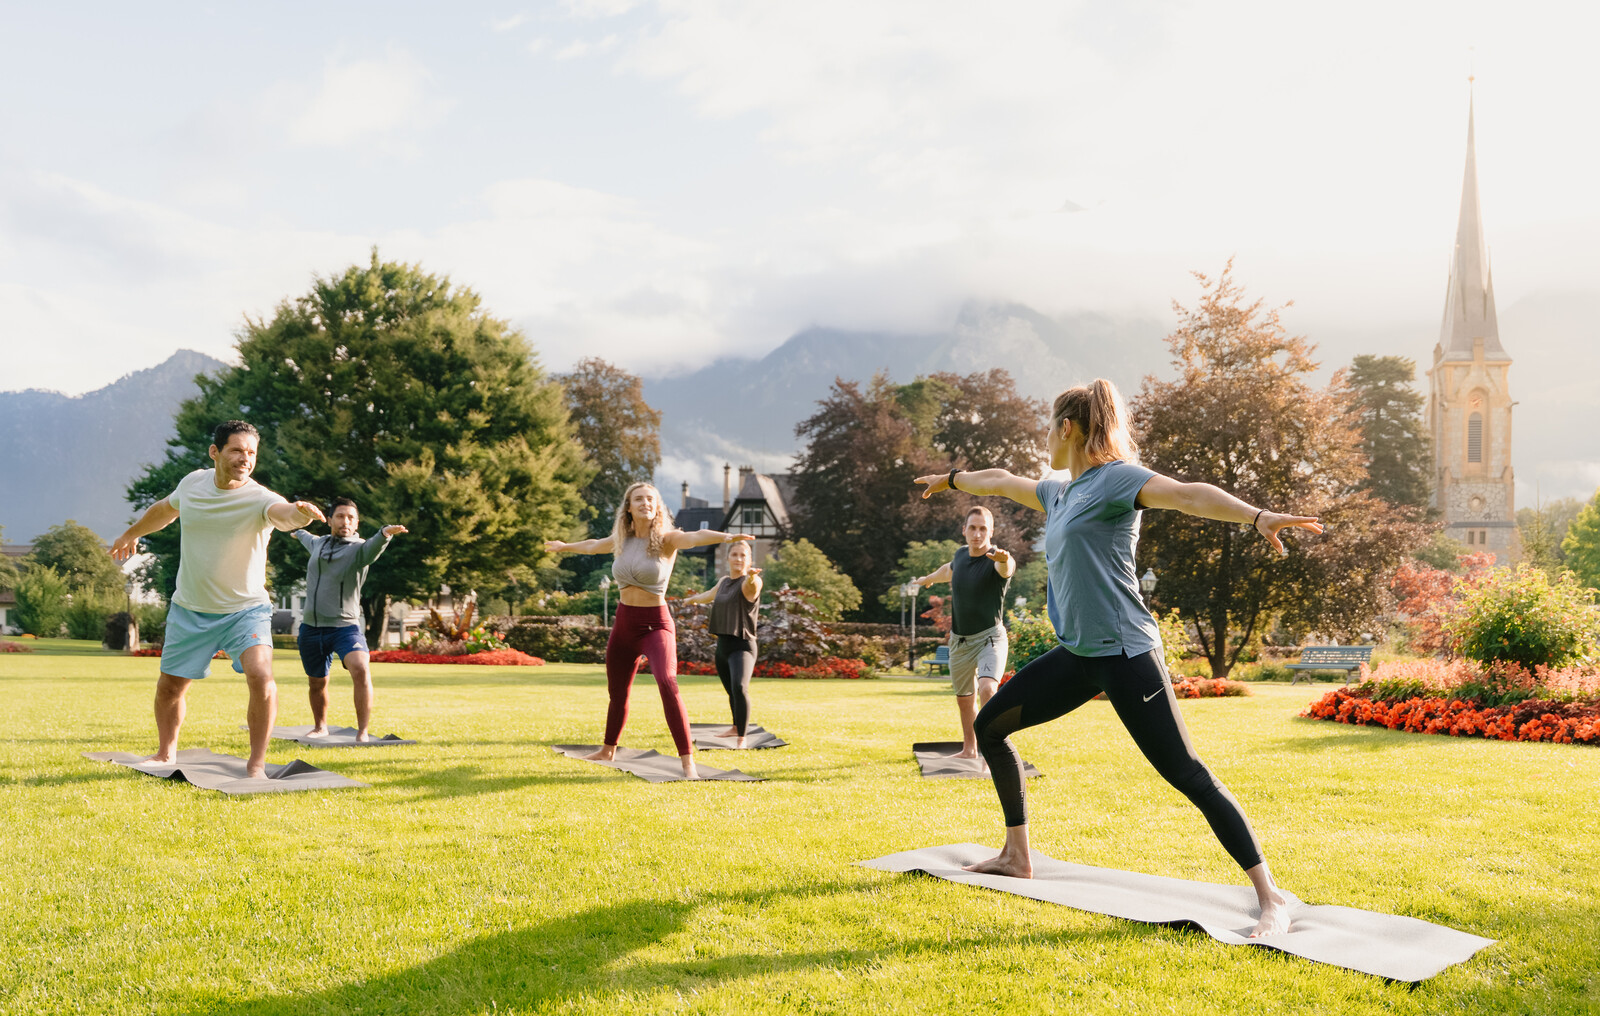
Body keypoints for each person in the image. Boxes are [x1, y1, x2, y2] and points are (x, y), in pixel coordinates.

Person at [914, 379, 1322, 938]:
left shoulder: (1117, 480)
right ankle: (1017, 853)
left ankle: (1270, 895)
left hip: (1127, 655)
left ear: (1068, 428)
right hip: (1078, 654)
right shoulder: (1060, 492)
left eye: (1048, 427)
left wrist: (1256, 517)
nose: (1044, 438)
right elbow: (1004, 483)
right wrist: (954, 479)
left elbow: (1187, 493)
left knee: (1186, 772)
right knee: (992, 728)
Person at [110, 421, 326, 778]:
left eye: (252, 453)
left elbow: (283, 515)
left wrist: (300, 512)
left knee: (261, 675)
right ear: (216, 452)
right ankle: (166, 754)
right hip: (191, 607)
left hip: (245, 610)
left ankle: (256, 765)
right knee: (170, 686)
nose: (245, 459)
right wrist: (130, 534)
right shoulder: (193, 483)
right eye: (237, 450)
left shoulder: (261, 498)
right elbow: (165, 509)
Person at [544, 482, 754, 778]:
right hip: (624, 623)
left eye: (651, 499)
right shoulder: (621, 540)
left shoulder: (667, 540)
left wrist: (728, 535)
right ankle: (608, 749)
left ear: (657, 507)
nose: (645, 503)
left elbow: (695, 537)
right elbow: (592, 545)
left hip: (656, 624)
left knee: (667, 682)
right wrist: (564, 547)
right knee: (617, 692)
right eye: (638, 499)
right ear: (628, 508)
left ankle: (687, 763)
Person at [292, 497, 408, 742]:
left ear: (356, 523)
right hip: (311, 628)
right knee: (316, 683)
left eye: (351, 518)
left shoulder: (359, 549)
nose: (346, 521)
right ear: (331, 520)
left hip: (345, 627)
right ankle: (320, 726)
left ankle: (362, 732)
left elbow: (374, 547)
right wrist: (296, 530)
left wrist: (385, 533)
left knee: (360, 667)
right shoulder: (318, 543)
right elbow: (305, 536)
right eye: (341, 516)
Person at [910, 505, 1015, 759]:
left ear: (991, 532)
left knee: (988, 688)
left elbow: (1007, 568)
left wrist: (1004, 559)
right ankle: (970, 749)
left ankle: (998, 749)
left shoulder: (996, 559)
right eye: (973, 528)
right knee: (964, 699)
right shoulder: (960, 555)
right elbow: (949, 569)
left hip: (990, 638)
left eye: (983, 529)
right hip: (959, 641)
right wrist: (928, 579)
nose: (977, 534)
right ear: (964, 530)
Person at [682, 539, 763, 748]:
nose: (738, 559)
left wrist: (752, 576)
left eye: (743, 555)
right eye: (735, 554)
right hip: (723, 647)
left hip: (743, 646)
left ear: (749, 560)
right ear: (728, 558)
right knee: (731, 691)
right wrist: (691, 600)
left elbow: (750, 587)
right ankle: (735, 727)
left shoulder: (752, 581)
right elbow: (709, 595)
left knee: (740, 687)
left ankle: (742, 738)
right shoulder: (724, 582)